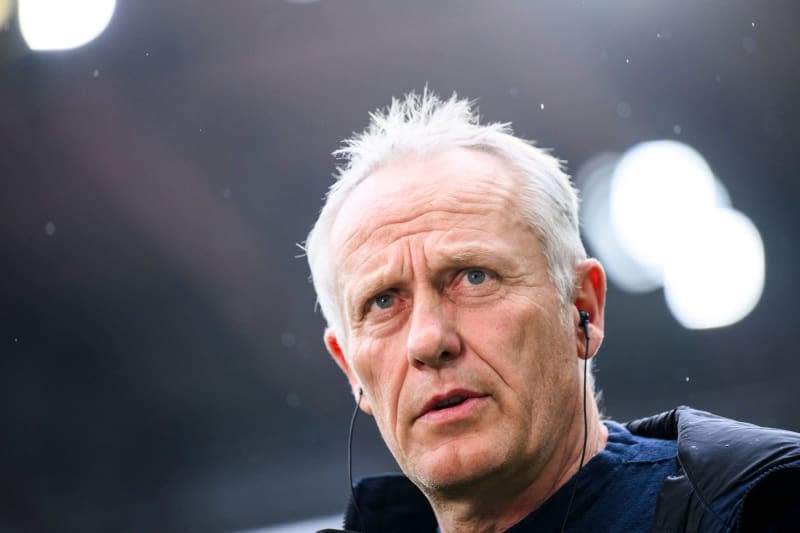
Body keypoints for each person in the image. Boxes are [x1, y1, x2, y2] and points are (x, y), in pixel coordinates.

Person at [304, 90, 800, 532]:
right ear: (350, 368)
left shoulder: (761, 508)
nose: (429, 341)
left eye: (474, 277)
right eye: (384, 302)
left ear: (583, 307)